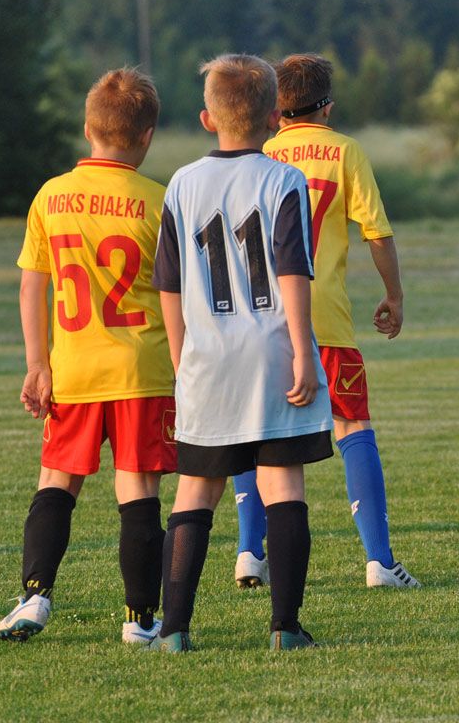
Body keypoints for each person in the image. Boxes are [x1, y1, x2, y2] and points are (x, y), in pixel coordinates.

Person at [149, 54, 334, 651]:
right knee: (284, 483)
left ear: (208, 118)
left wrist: (182, 361)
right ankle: (284, 625)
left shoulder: (181, 183)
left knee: (194, 491)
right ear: (275, 116)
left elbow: (170, 286)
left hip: (208, 357)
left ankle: (174, 627)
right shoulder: (283, 180)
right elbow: (292, 273)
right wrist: (304, 351)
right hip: (272, 353)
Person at [0, 68, 176, 645]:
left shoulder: (52, 195)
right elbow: (177, 293)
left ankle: (33, 596)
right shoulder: (159, 200)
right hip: (142, 371)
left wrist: (37, 363)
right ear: (147, 135)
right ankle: (141, 620)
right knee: (138, 491)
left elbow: (32, 284)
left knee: (56, 481)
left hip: (73, 370)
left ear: (87, 128)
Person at [229, 53, 419, 590]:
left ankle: (249, 552)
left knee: (251, 434)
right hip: (326, 317)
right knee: (353, 425)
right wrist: (394, 295)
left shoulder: (257, 152)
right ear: (327, 107)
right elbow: (375, 232)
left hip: (260, 321)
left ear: (275, 107)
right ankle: (379, 561)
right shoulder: (345, 152)